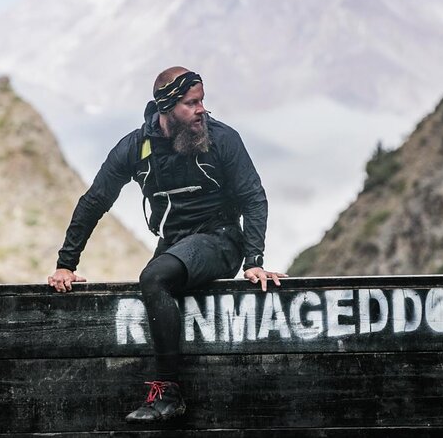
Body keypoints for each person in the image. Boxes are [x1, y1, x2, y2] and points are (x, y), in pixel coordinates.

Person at [48, 66, 286, 423]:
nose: (202, 110)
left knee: (154, 278)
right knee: (152, 284)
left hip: (221, 239)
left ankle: (169, 393)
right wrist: (66, 264)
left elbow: (253, 197)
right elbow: (95, 201)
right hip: (174, 242)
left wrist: (253, 260)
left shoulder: (222, 138)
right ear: (166, 108)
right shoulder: (136, 147)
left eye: (202, 101)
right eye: (191, 103)